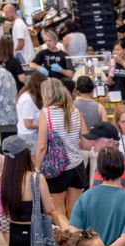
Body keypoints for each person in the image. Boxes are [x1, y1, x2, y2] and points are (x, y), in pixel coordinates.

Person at [36, 76, 87, 215]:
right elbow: (85, 141)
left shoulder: (46, 113)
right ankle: (76, 235)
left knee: (58, 211)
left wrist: (36, 168)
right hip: (77, 166)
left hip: (57, 169)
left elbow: (42, 147)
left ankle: (65, 237)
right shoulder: (75, 111)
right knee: (74, 211)